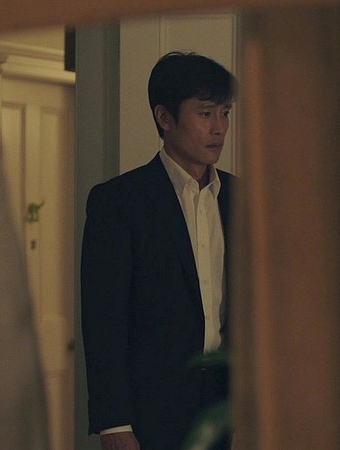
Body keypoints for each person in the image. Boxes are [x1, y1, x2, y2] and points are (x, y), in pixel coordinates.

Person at [81, 51, 237, 450]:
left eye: (225, 113)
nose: (219, 128)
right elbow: (104, 320)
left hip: (231, 408)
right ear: (165, 118)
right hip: (152, 411)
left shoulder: (243, 199)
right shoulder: (119, 202)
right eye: (206, 114)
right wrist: (113, 423)